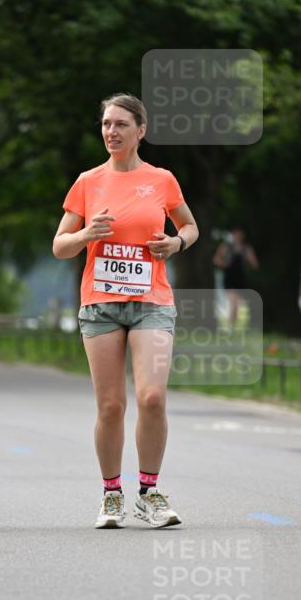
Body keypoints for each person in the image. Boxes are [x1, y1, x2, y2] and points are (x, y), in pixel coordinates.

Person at [53, 93, 198, 528]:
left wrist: (176, 243)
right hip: (100, 306)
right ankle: (111, 494)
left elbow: (189, 225)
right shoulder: (87, 181)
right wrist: (85, 235)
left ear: (141, 130)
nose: (111, 132)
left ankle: (149, 492)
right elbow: (59, 245)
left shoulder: (162, 180)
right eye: (105, 124)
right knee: (111, 406)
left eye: (120, 124)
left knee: (152, 397)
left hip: (151, 303)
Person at [213, 227, 259, 329]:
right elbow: (216, 259)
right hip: (229, 277)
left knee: (237, 305)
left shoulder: (246, 248)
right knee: (233, 302)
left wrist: (251, 262)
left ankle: (231, 326)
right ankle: (229, 327)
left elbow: (254, 263)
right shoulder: (226, 247)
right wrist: (224, 264)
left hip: (240, 278)